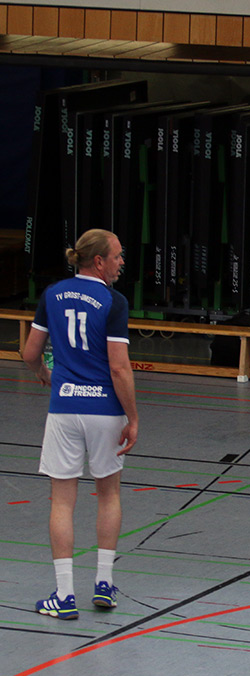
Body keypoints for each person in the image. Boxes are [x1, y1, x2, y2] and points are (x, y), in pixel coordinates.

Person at [22, 229, 138, 619]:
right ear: (99, 261)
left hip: (64, 409)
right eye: (117, 256)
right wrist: (133, 417)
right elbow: (119, 368)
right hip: (104, 411)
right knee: (109, 494)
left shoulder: (52, 294)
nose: (122, 262)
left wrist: (44, 374)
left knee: (62, 501)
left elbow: (30, 353)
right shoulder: (114, 302)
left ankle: (64, 594)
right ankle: (103, 583)